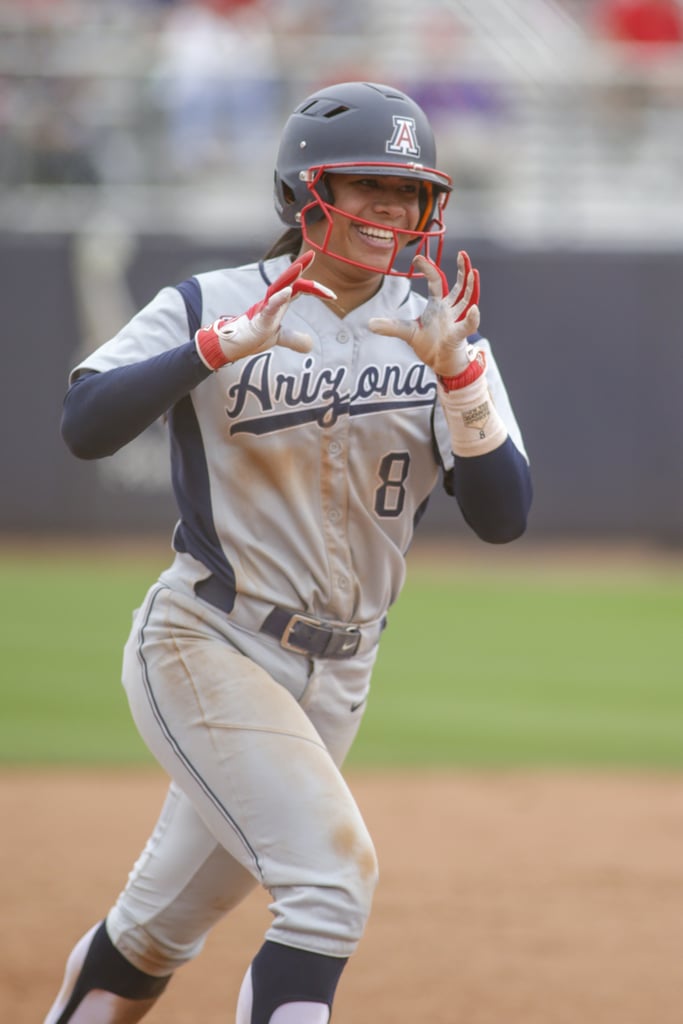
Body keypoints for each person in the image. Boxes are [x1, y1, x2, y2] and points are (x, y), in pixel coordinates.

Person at [45, 80, 532, 1024]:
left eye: (411, 193)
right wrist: (214, 349)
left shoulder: (441, 331)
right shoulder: (208, 302)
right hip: (207, 644)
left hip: (340, 675)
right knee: (329, 885)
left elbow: (502, 515)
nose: (393, 211)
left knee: (155, 928)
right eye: (367, 186)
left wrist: (460, 376)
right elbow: (83, 425)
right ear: (303, 192)